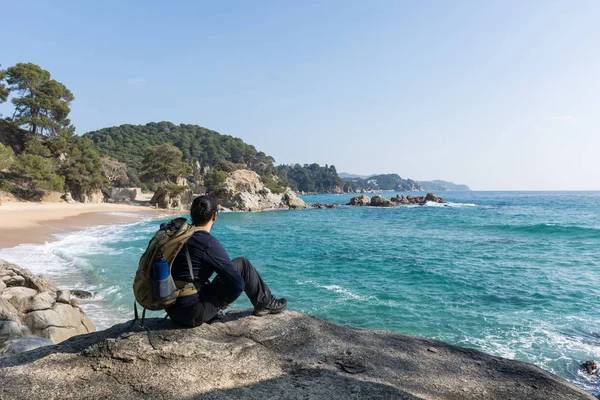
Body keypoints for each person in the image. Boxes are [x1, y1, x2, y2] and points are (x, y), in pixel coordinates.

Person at [166, 195, 287, 327]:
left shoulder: (179, 236)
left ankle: (264, 301)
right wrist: (224, 303)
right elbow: (238, 284)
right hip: (192, 313)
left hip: (172, 307)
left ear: (191, 214)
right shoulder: (207, 242)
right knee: (243, 264)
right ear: (214, 216)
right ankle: (265, 302)